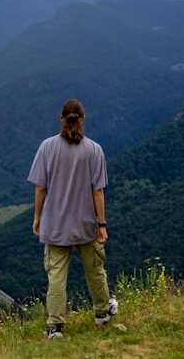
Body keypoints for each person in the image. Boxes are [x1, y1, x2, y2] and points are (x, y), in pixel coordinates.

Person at [27, 99, 118, 339]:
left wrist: (37, 217)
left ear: (61, 118)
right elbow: (97, 191)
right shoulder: (94, 150)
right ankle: (101, 313)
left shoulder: (47, 147)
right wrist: (102, 224)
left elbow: (40, 189)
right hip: (86, 224)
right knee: (95, 269)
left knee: (56, 277)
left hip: (56, 225)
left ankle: (55, 326)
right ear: (83, 119)